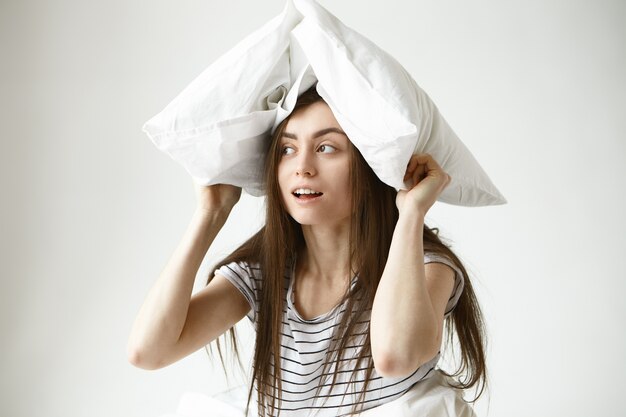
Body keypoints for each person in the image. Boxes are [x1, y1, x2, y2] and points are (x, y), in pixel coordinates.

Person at [127, 84, 488, 417]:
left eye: (326, 147)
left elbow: (396, 357)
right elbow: (149, 351)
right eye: (288, 149)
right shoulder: (263, 274)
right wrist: (210, 214)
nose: (302, 168)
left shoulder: (427, 266)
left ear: (368, 165)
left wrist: (411, 212)